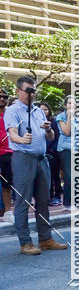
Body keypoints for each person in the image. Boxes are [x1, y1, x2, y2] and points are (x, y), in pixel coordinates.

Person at [4, 76, 67, 254]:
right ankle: (25, 242)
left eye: (34, 91)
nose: (32, 94)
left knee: (43, 200)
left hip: (42, 158)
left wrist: (48, 129)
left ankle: (45, 238)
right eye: (28, 91)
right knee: (23, 201)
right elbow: (12, 134)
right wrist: (21, 139)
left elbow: (51, 137)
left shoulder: (38, 111)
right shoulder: (13, 111)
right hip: (23, 158)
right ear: (18, 91)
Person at [38, 101, 61, 206]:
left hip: (52, 153)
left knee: (54, 175)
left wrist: (52, 149)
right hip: (40, 152)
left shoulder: (53, 121)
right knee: (44, 177)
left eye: (45, 109)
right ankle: (48, 196)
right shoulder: (36, 121)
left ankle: (56, 196)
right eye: (41, 109)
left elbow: (56, 136)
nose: (43, 111)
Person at [55, 96, 75, 208]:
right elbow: (67, 132)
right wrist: (69, 117)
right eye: (69, 103)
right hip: (65, 148)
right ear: (65, 105)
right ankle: (67, 203)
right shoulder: (61, 116)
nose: (71, 105)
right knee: (69, 175)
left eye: (73, 103)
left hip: (76, 148)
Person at [0, 87, 14, 223]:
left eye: (5, 97)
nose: (2, 99)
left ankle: (8, 211)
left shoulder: (10, 113)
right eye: (0, 97)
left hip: (8, 153)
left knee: (7, 184)